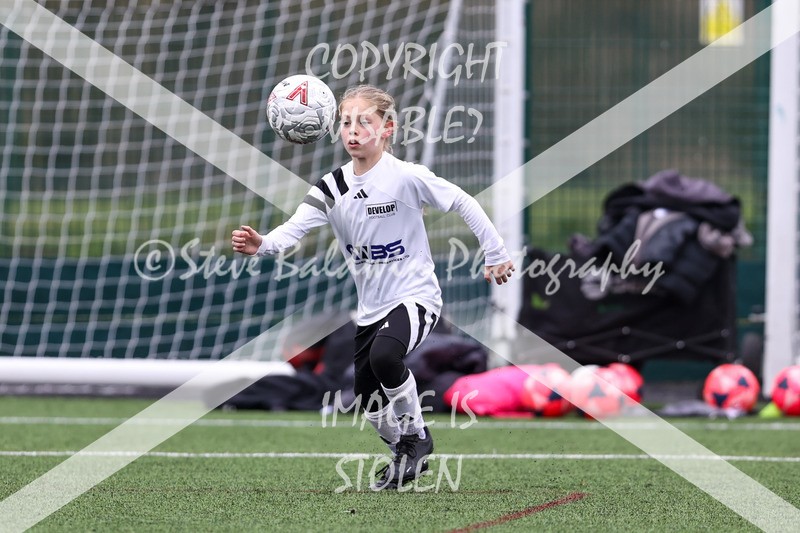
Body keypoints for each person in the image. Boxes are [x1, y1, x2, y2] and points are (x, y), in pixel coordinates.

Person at [232, 84, 514, 490]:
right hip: (371, 308)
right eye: (346, 122)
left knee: (386, 356)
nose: (353, 130)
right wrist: (261, 244)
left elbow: (463, 202)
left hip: (416, 297)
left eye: (364, 122)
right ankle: (402, 451)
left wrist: (495, 252)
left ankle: (417, 436)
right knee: (366, 396)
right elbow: (292, 230)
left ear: (387, 129)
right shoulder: (331, 188)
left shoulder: (406, 178)